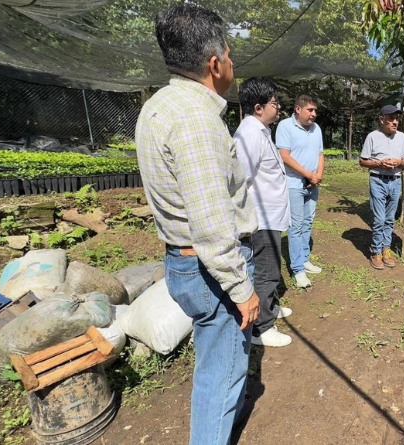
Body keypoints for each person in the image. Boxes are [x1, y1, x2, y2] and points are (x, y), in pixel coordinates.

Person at [136, 5, 259, 444]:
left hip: (182, 260)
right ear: (214, 63)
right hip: (209, 269)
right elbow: (210, 225)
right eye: (229, 54)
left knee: (218, 364)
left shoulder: (160, 105)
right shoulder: (196, 121)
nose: (231, 63)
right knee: (219, 378)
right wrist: (242, 290)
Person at [234, 77, 294, 348]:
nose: (279, 106)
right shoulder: (249, 135)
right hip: (262, 217)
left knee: (270, 268)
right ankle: (262, 327)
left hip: (271, 216)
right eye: (274, 102)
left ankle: (269, 307)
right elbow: (239, 180)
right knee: (266, 271)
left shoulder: (261, 131)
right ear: (258, 107)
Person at [276, 95, 324, 289]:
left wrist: (317, 175)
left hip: (313, 184)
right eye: (310, 110)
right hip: (294, 184)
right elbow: (284, 156)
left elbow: (320, 154)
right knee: (295, 226)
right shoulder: (285, 126)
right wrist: (307, 174)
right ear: (298, 109)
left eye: (315, 111)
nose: (314, 114)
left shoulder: (316, 129)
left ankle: (304, 259)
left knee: (307, 222)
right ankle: (297, 270)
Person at [359, 105, 404, 270]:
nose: (395, 122)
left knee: (389, 219)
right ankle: (375, 252)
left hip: (395, 181)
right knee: (379, 218)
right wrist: (379, 163)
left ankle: (386, 249)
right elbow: (362, 161)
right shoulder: (372, 137)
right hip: (378, 180)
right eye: (391, 118)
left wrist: (398, 162)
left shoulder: (401, 137)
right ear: (382, 119)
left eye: (397, 118)